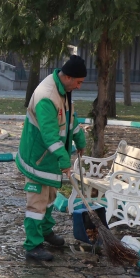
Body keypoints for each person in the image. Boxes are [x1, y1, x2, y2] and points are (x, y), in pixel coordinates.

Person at [15, 54, 87, 261]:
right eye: (79, 82)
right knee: (37, 203)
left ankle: (45, 231)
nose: (80, 87)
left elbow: (69, 116)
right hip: (38, 158)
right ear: (69, 78)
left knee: (49, 199)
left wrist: (79, 137)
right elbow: (49, 135)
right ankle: (33, 245)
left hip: (49, 160)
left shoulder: (63, 90)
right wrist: (64, 159)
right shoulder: (47, 96)